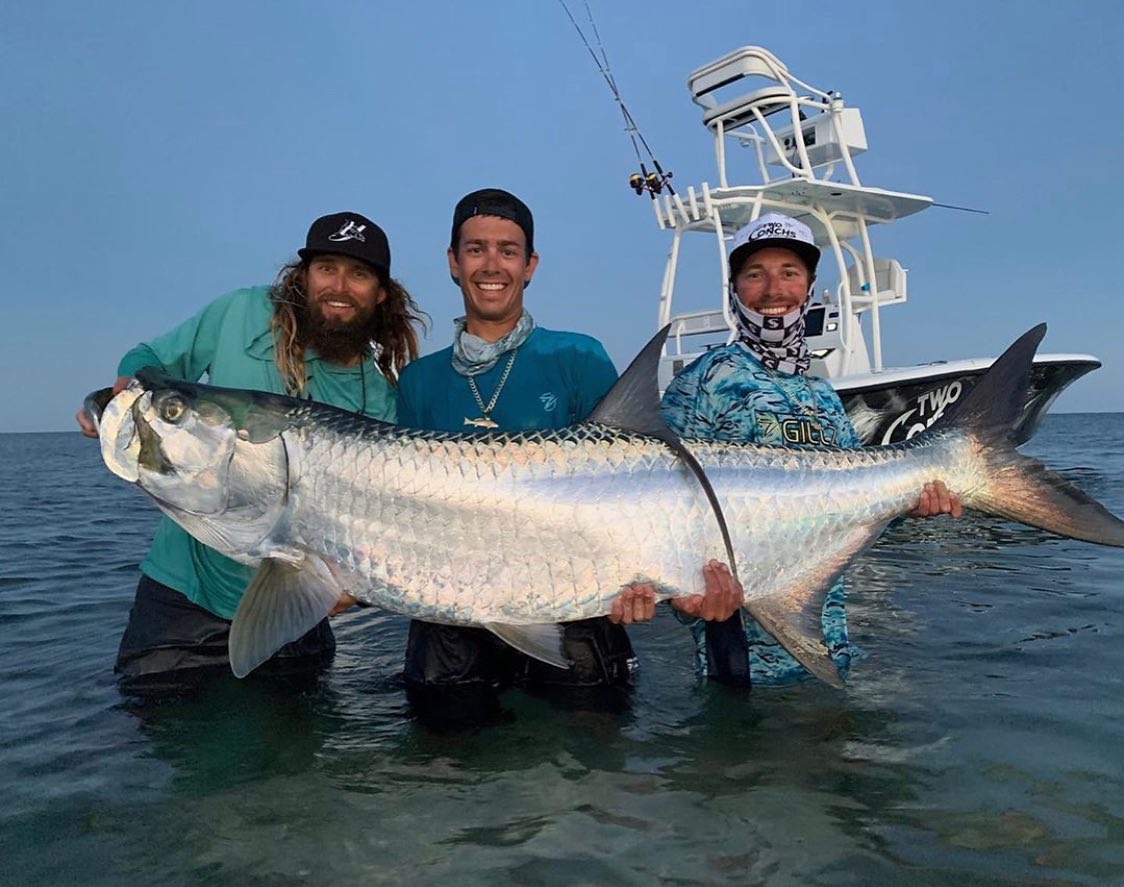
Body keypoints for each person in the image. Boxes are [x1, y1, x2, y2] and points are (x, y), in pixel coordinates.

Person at [76, 211, 427, 695]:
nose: (339, 286)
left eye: (359, 274)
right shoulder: (241, 314)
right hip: (184, 598)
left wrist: (356, 592)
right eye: (326, 268)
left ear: (381, 292)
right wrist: (121, 397)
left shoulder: (382, 399)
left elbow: (382, 535)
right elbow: (149, 363)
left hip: (295, 617)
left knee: (291, 763)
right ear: (304, 276)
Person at [611, 212, 961, 687]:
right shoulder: (705, 380)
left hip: (827, 648)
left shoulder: (822, 395)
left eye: (789, 273)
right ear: (734, 288)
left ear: (811, 285)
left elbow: (851, 510)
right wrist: (679, 599)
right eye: (755, 275)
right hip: (739, 661)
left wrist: (911, 505)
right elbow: (652, 508)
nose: (774, 290)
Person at [395, 187, 637, 726]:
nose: (491, 265)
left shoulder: (578, 356)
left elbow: (633, 488)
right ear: (453, 262)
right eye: (476, 249)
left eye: (508, 251)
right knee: (444, 768)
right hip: (450, 613)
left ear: (530, 266)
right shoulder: (418, 381)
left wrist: (641, 575)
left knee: (583, 771)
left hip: (573, 601)